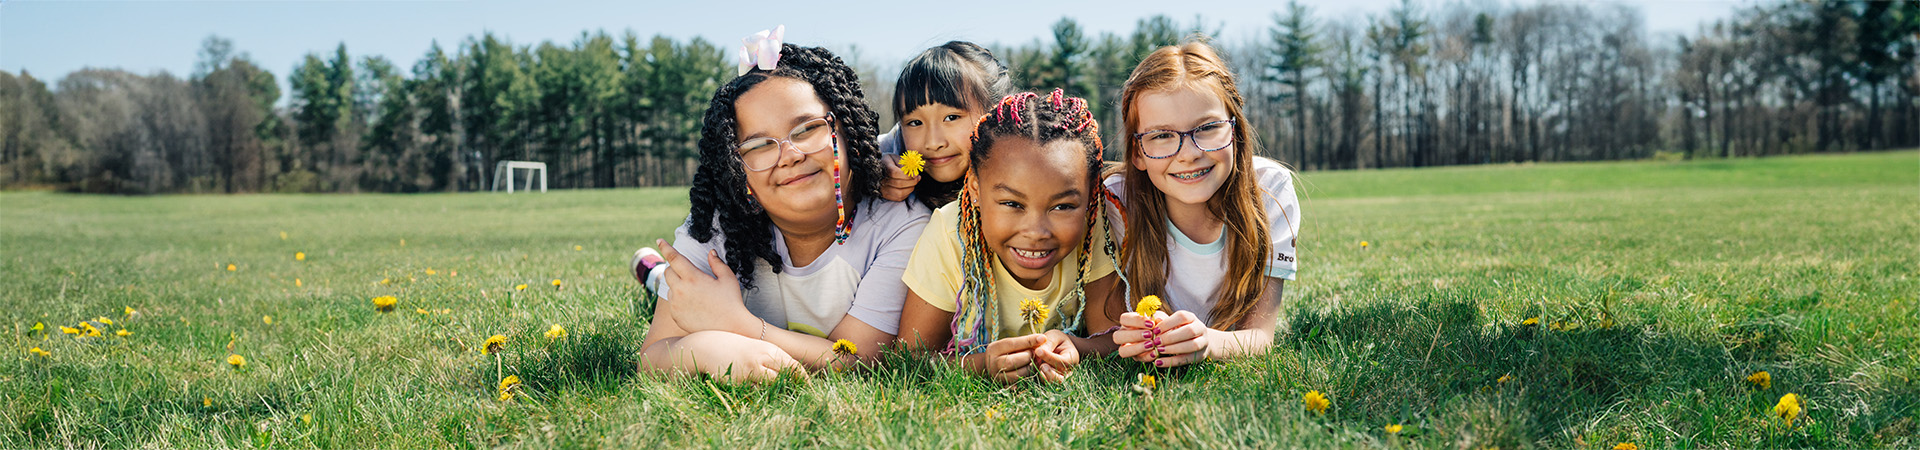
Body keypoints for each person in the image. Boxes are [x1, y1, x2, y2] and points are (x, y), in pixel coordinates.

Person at [636, 27, 930, 382]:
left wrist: (737, 325)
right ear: (737, 171)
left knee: (699, 304)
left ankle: (653, 275)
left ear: (847, 130)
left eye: (806, 129)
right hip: (707, 295)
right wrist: (704, 350)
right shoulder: (717, 228)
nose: (789, 155)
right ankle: (654, 274)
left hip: (729, 310)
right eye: (758, 146)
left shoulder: (900, 224)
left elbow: (861, 358)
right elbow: (652, 357)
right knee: (685, 294)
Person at [896, 89, 1124, 384]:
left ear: (1090, 198)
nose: (1035, 232)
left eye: (1063, 206)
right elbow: (907, 359)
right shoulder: (950, 233)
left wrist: (1078, 347)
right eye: (1012, 204)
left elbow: (1112, 337)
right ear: (976, 190)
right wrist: (981, 364)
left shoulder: (1093, 228)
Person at [1106, 39, 1302, 368]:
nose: (1189, 153)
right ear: (1137, 152)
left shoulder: (1271, 189)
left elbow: (1260, 337)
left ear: (1235, 130)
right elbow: (1107, 328)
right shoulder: (1117, 200)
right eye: (1161, 135)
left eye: (1208, 128)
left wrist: (1209, 342)